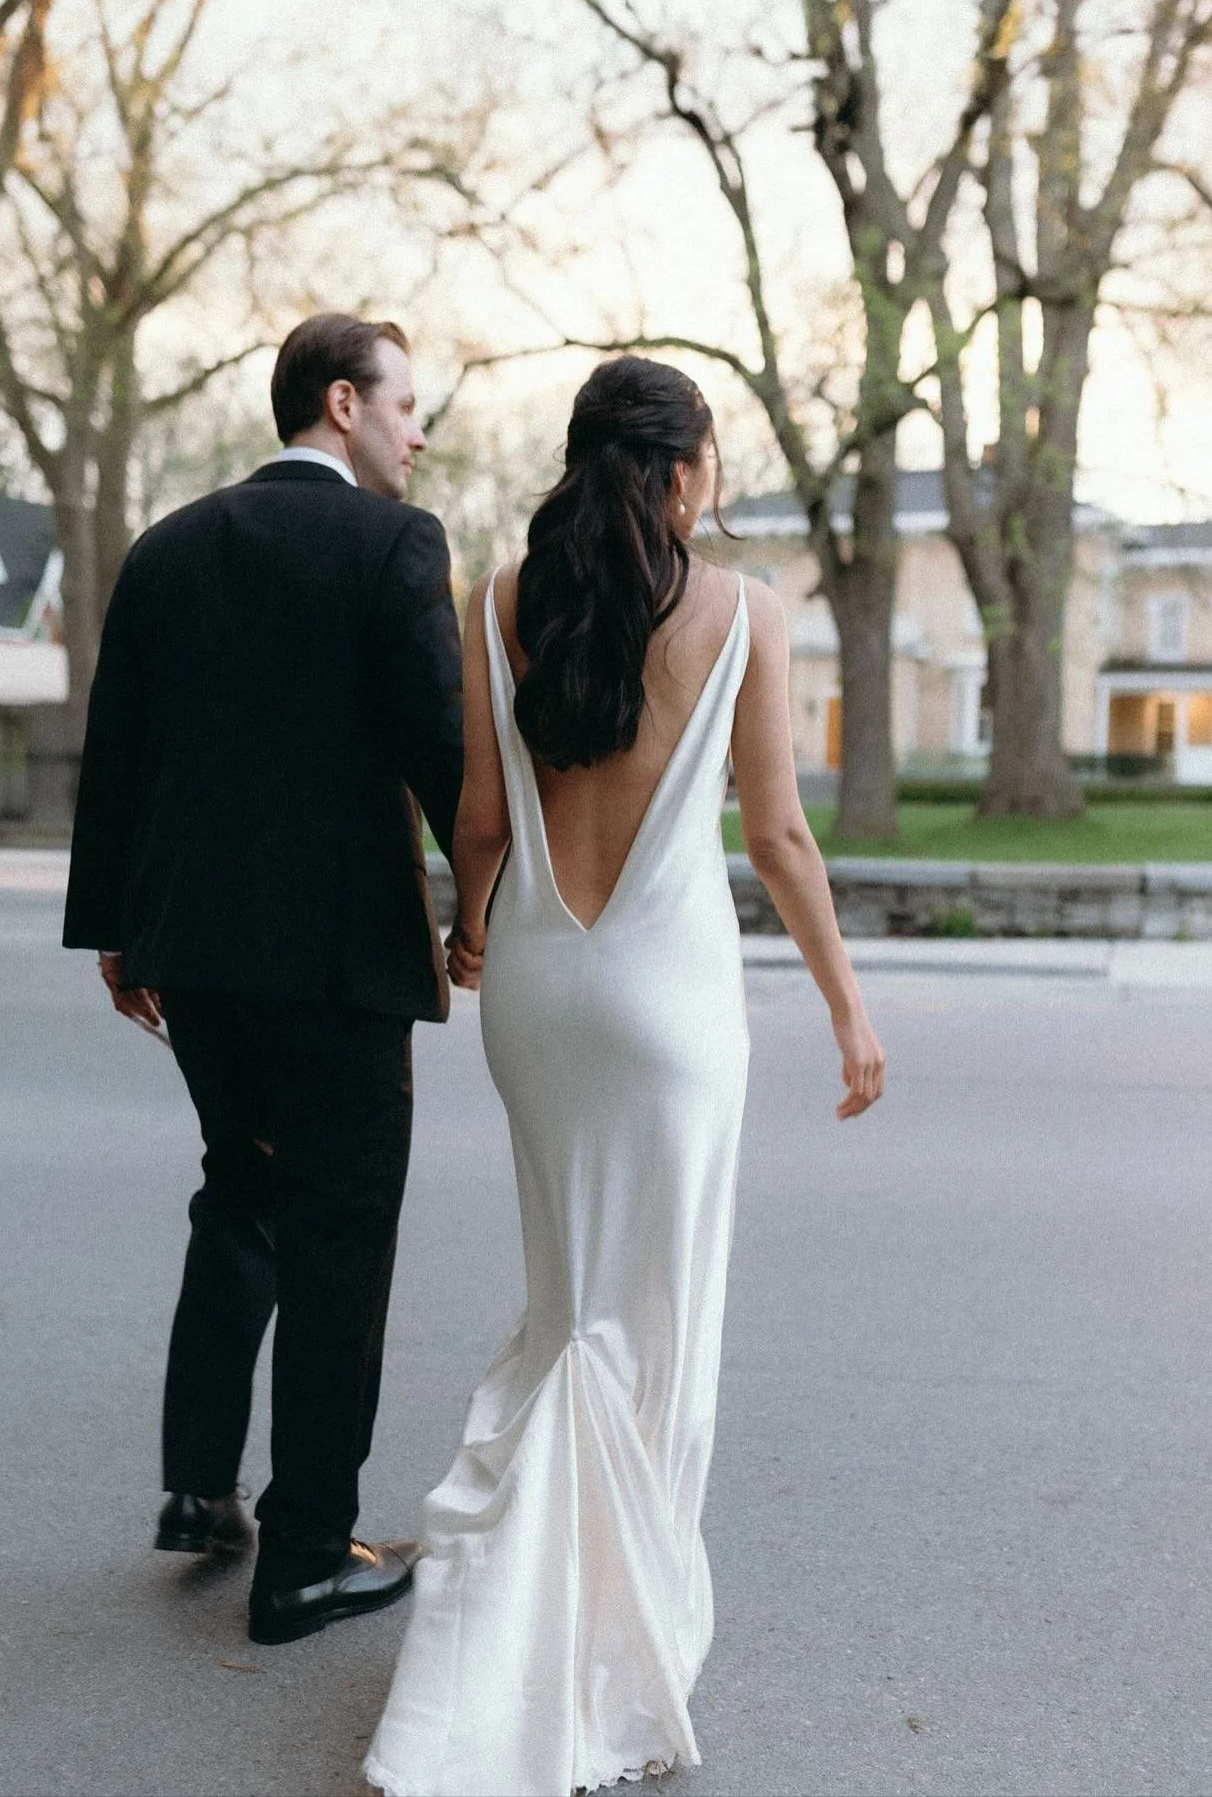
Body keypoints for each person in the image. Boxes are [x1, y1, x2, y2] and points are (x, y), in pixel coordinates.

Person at [364, 355, 884, 1795]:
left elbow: (478, 818)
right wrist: (848, 1011)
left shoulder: (501, 603)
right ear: (678, 471)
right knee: (657, 1334)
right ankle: (611, 1662)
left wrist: (470, 929)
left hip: (539, 993)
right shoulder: (746, 615)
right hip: (671, 1010)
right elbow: (777, 838)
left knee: (570, 1308)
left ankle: (529, 1632)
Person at [62, 312, 463, 1646]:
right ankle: (304, 1559)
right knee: (341, 1237)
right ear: (342, 403)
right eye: (406, 406)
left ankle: (197, 1486)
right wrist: (488, 905)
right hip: (340, 965)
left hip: (193, 957)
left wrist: (115, 931)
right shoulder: (393, 546)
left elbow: (117, 751)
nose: (418, 434)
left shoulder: (168, 546)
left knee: (241, 1187)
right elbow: (442, 747)